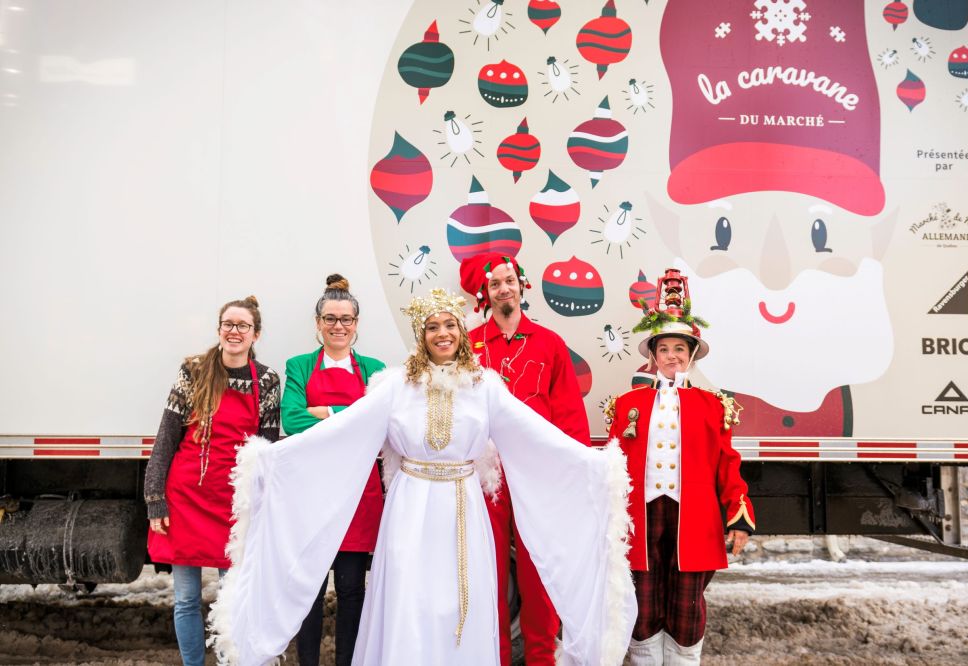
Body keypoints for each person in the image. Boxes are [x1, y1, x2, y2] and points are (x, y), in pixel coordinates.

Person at [209, 288, 636, 666]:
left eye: (450, 324)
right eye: (432, 327)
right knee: (409, 601)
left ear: (461, 331)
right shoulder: (395, 386)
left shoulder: (484, 386)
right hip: (410, 506)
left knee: (458, 602)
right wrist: (270, 461)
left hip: (462, 507)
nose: (442, 333)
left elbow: (533, 434)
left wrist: (594, 467)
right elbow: (343, 431)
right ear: (421, 335)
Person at [605, 269, 755, 665]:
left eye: (680, 349)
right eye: (665, 349)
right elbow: (612, 464)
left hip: (694, 517)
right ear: (653, 356)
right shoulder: (627, 404)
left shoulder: (712, 405)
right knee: (644, 597)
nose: (672, 356)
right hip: (644, 514)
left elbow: (727, 463)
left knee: (687, 601)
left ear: (690, 355)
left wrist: (738, 515)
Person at [458, 252, 590, 666]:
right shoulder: (469, 346)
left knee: (538, 572)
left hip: (539, 476)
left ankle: (540, 658)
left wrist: (577, 469)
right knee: (490, 572)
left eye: (509, 280)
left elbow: (568, 411)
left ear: (522, 285)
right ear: (485, 295)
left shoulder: (549, 342)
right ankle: (494, 657)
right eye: (495, 283)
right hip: (488, 476)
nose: (504, 288)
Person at [144, 296, 281, 666]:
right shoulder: (193, 371)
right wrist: (155, 497)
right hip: (185, 497)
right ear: (219, 329)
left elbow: (266, 449)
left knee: (232, 598)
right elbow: (166, 436)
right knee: (186, 598)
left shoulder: (267, 381)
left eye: (243, 326)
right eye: (228, 324)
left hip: (234, 503)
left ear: (256, 334)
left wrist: (262, 506)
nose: (234, 331)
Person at [281, 274, 386, 666]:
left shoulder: (375, 369)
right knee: (307, 588)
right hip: (310, 493)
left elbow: (377, 425)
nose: (338, 325)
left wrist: (324, 413)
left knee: (351, 589)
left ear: (356, 324)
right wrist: (351, 418)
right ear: (318, 323)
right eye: (330, 318)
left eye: (345, 318)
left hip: (358, 493)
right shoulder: (299, 366)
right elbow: (291, 418)